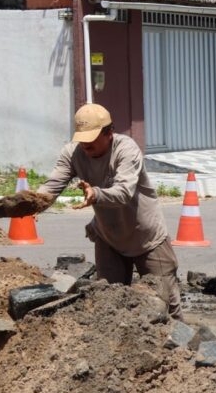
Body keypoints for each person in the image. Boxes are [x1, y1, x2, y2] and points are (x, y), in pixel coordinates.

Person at [38, 103, 182, 320]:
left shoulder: (126, 149)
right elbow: (52, 185)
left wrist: (96, 194)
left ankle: (178, 343)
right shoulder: (73, 153)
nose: (85, 144)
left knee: (167, 307)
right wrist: (33, 202)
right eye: (82, 138)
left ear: (109, 133)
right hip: (109, 238)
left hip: (147, 238)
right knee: (108, 304)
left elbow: (124, 192)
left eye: (92, 137)